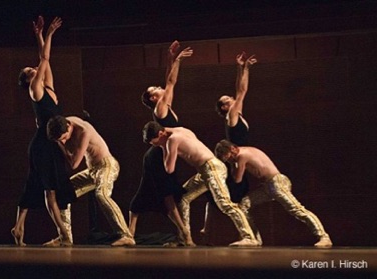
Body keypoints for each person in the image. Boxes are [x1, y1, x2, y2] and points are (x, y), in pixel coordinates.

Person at [12, 16, 75, 247]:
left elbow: (45, 61)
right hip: (41, 145)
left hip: (50, 142)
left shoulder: (48, 87)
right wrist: (48, 34)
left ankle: (18, 227)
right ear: (29, 79)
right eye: (31, 70)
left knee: (34, 185)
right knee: (49, 190)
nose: (35, 68)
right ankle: (64, 234)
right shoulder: (35, 90)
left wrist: (39, 36)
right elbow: (44, 58)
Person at [142, 121, 259, 247]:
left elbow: (169, 169)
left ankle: (249, 237)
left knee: (225, 203)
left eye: (155, 143)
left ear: (161, 134)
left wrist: (163, 147)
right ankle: (185, 240)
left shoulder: (172, 140)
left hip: (212, 168)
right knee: (183, 198)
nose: (156, 146)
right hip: (206, 170)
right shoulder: (181, 129)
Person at [129, 41, 194, 246]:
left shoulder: (166, 106)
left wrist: (171, 58)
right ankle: (186, 235)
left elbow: (170, 82)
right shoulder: (159, 110)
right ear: (153, 98)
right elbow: (170, 81)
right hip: (156, 156)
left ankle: (130, 234)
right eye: (155, 89)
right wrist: (176, 60)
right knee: (167, 196)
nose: (159, 88)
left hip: (160, 154)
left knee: (159, 196)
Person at [214, 140, 333, 248]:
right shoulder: (246, 150)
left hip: (277, 183)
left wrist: (231, 166)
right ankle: (252, 239)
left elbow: (237, 180)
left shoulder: (241, 155)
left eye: (229, 158)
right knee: (244, 204)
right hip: (269, 186)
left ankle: (324, 237)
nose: (231, 160)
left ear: (233, 149)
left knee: (297, 209)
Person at [47, 115, 135, 246]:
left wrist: (61, 145)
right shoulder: (63, 122)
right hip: (92, 170)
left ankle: (126, 235)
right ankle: (65, 238)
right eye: (61, 140)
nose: (64, 141)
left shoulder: (83, 131)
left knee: (102, 194)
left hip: (107, 166)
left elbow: (74, 164)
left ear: (69, 127)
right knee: (64, 193)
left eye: (64, 138)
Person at [201, 51, 258, 242]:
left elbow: (239, 90)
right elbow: (241, 92)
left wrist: (242, 68)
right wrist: (244, 67)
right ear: (225, 107)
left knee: (237, 200)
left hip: (241, 159)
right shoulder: (231, 115)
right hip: (235, 161)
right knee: (228, 198)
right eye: (228, 100)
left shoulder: (236, 113)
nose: (233, 100)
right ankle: (248, 236)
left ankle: (252, 237)